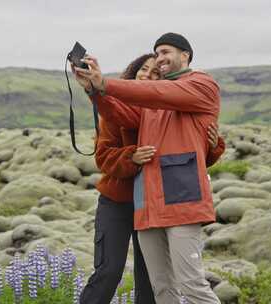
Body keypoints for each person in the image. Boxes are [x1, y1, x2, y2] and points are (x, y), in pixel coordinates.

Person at [74, 33, 223, 303]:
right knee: (160, 287)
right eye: (156, 53)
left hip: (181, 200)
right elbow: (121, 114)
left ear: (185, 55)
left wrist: (105, 82)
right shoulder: (152, 103)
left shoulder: (201, 83)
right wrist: (93, 89)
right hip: (147, 203)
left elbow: (158, 92)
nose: (160, 58)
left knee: (191, 284)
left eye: (166, 52)